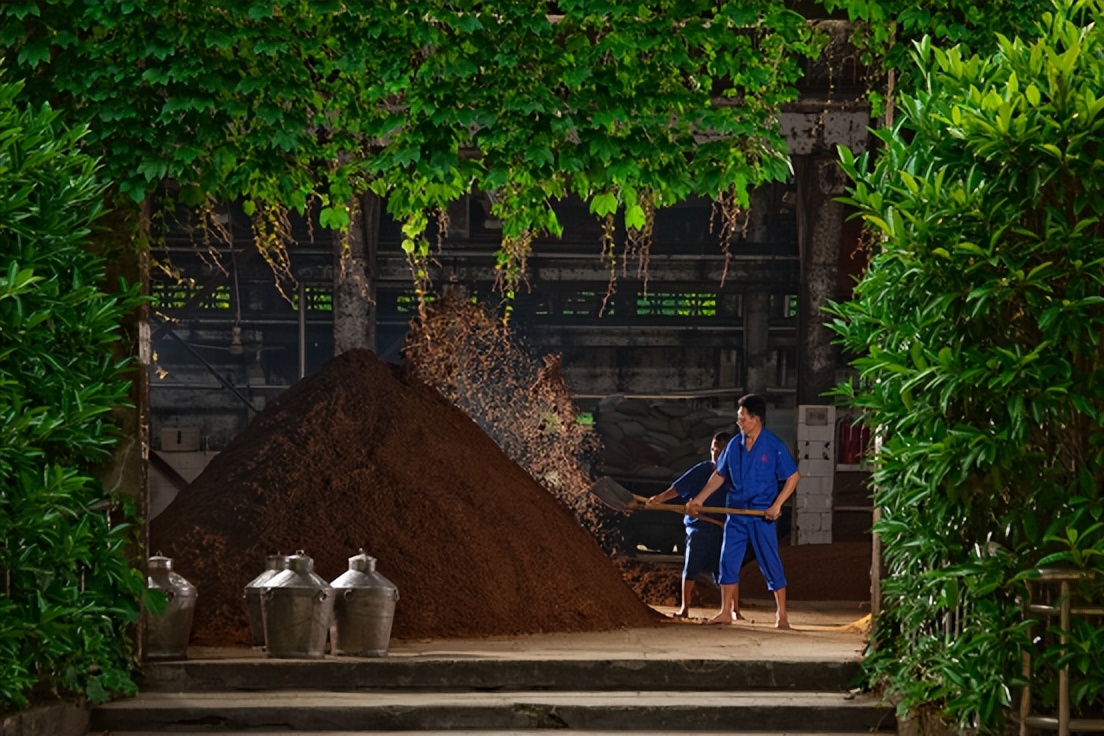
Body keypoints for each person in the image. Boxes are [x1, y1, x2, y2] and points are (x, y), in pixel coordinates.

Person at [687, 394, 799, 629]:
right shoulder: (733, 446)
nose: (739, 422)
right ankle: (725, 611)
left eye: (742, 417)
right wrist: (699, 499)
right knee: (727, 561)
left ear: (755, 419)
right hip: (736, 513)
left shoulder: (773, 445)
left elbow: (792, 476)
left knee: (770, 561)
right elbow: (719, 475)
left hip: (761, 515)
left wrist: (777, 505)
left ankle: (782, 615)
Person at [644, 431, 734, 619]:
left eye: (720, 450)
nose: (715, 454)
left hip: (723, 528)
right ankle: (685, 607)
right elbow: (677, 488)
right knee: (691, 567)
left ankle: (733, 609)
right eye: (713, 450)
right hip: (699, 527)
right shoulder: (702, 470)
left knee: (727, 569)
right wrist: (660, 498)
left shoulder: (734, 474)